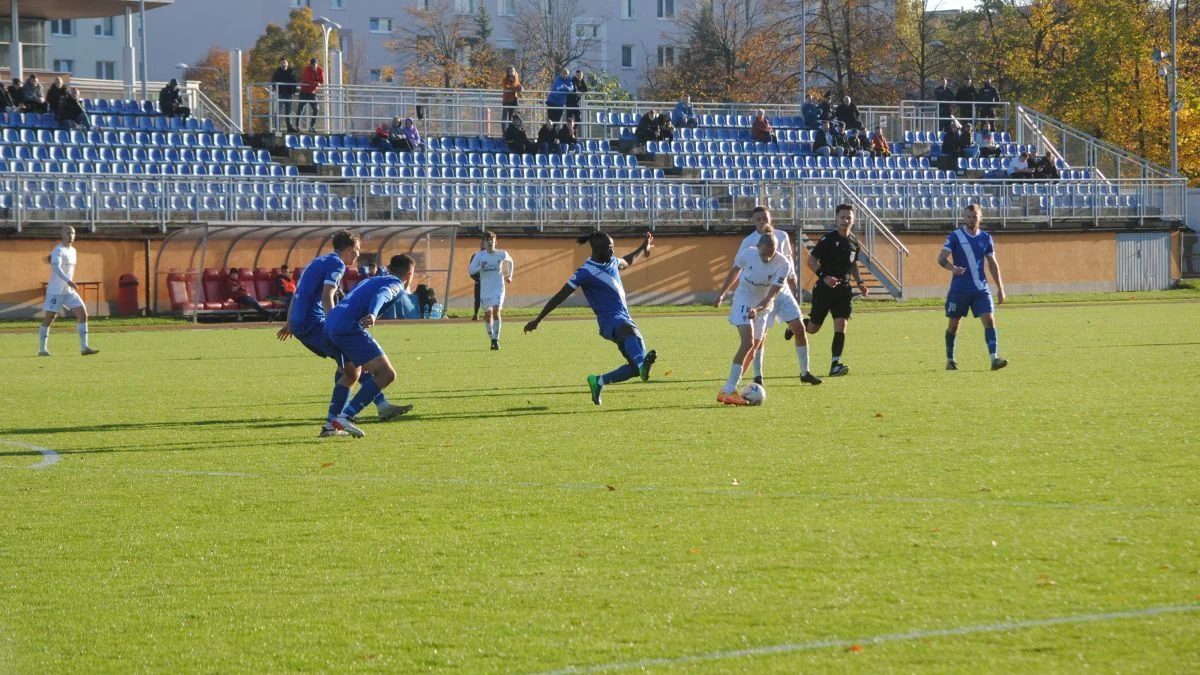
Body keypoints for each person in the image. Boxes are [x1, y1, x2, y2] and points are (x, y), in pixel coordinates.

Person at [277, 231, 410, 437]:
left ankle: (336, 423)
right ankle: (349, 415)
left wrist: (290, 322)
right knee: (359, 368)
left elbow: (298, 293)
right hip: (316, 324)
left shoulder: (317, 261)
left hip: (302, 322)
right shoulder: (337, 264)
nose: (357, 256)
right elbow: (327, 294)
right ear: (348, 249)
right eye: (356, 251)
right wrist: (333, 322)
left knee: (350, 369)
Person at [524, 232, 657, 406]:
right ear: (596, 249)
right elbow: (560, 295)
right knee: (629, 332)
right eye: (609, 247)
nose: (612, 250)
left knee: (633, 369)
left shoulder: (612, 262)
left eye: (613, 247)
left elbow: (628, 260)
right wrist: (538, 319)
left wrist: (643, 247)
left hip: (624, 317)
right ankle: (642, 365)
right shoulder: (585, 272)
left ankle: (598, 381)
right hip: (609, 320)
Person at [715, 208, 821, 391]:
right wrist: (723, 293)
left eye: (765, 217)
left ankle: (805, 372)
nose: (762, 221)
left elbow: (787, 260)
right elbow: (737, 268)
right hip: (750, 296)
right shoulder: (748, 245)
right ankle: (755, 376)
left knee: (798, 327)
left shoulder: (782, 242)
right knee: (755, 341)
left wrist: (792, 278)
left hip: (777, 293)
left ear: (771, 219)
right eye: (758, 218)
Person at [322, 254, 417, 438]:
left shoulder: (371, 279)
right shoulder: (396, 284)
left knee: (350, 373)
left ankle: (330, 425)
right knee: (386, 374)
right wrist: (373, 314)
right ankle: (345, 417)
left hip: (330, 325)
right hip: (347, 328)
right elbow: (381, 295)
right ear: (409, 274)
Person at [938, 204, 1008, 371]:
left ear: (980, 217)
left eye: (974, 216)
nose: (971, 219)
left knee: (989, 321)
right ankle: (950, 359)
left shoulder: (985, 237)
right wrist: (953, 268)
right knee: (954, 324)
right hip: (959, 289)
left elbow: (992, 264)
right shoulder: (956, 236)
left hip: (980, 289)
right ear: (964, 218)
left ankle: (994, 359)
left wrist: (1000, 287)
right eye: (968, 216)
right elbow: (941, 259)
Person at [804, 204, 870, 377]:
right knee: (812, 329)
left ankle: (835, 364)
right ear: (836, 219)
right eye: (842, 217)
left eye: (848, 217)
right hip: (825, 290)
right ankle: (796, 326)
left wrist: (860, 282)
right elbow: (811, 261)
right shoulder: (827, 240)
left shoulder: (854, 243)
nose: (845, 220)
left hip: (844, 290)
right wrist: (824, 276)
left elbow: (852, 264)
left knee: (841, 325)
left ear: (853, 220)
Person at [38, 225, 99, 357]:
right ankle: (42, 349)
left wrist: (69, 284)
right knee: (50, 317)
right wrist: (68, 280)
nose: (71, 235)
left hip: (68, 291)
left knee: (83, 314)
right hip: (55, 291)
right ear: (62, 235)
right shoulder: (58, 250)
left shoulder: (73, 251)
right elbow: (56, 269)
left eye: (73, 233)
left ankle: (84, 348)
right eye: (68, 233)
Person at [468, 232, 515, 350]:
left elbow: (510, 262)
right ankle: (492, 339)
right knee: (488, 315)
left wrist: (510, 276)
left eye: (491, 240)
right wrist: (480, 267)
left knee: (496, 310)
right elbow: (471, 271)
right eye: (487, 240)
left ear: (495, 242)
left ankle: (496, 340)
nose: (489, 242)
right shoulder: (479, 256)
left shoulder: (502, 254)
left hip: (498, 288)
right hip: (485, 290)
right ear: (483, 243)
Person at [272, 57, 299, 133]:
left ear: (287, 63)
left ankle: (289, 127)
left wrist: (293, 91)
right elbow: (274, 82)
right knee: (278, 111)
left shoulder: (291, 72)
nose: (284, 64)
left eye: (285, 62)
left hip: (288, 94)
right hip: (280, 94)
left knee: (288, 111)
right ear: (280, 64)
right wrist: (277, 89)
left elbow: (294, 82)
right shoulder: (277, 72)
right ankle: (277, 127)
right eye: (282, 63)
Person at [298, 57, 324, 132]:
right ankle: (297, 126)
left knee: (316, 109)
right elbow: (308, 80)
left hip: (312, 93)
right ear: (310, 65)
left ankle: (311, 127)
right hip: (304, 92)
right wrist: (316, 83)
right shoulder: (307, 69)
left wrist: (318, 83)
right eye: (312, 65)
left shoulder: (320, 70)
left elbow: (322, 80)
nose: (313, 67)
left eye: (314, 65)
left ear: (317, 64)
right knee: (300, 109)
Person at [467, 239, 485, 321]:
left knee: (487, 298)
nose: (483, 245)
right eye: (482, 244)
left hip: (489, 281)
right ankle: (476, 314)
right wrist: (476, 279)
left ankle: (487, 314)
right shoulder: (475, 256)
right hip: (479, 281)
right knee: (477, 298)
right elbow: (471, 269)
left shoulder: (492, 256)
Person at [500, 66, 522, 130]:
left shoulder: (516, 78)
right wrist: (516, 89)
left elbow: (519, 86)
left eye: (512, 71)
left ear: (515, 72)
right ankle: (504, 132)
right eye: (510, 71)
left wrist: (520, 88)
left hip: (513, 100)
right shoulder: (505, 79)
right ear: (508, 72)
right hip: (506, 100)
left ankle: (511, 131)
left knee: (511, 117)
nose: (511, 72)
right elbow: (507, 87)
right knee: (504, 117)